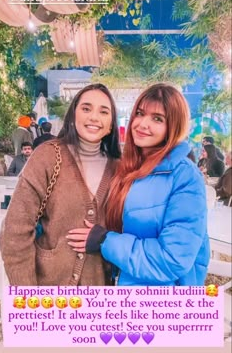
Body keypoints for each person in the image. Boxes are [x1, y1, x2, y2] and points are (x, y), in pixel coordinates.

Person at [67, 83, 210, 286]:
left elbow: (173, 259)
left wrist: (105, 241)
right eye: (140, 113)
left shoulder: (185, 176)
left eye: (157, 119)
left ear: (173, 127)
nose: (142, 124)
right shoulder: (129, 167)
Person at [0, 83, 121, 286]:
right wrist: (28, 298)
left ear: (111, 124)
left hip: (98, 297)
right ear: (73, 115)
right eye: (86, 108)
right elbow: (15, 231)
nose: (94, 117)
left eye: (104, 111)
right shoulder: (48, 156)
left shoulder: (119, 168)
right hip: (49, 293)